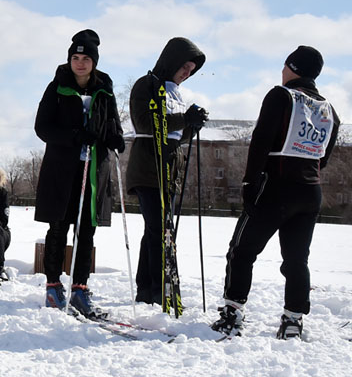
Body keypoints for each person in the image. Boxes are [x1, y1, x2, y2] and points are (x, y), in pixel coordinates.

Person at [211, 46, 340, 340]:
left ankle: (232, 313)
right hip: (310, 191)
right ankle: (293, 320)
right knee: (296, 259)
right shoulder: (330, 110)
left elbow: (260, 141)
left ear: (291, 68)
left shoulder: (280, 96)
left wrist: (249, 183)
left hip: (275, 188)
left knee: (242, 251)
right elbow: (324, 157)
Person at [34, 30, 123, 317]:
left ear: (94, 62)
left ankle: (80, 289)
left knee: (86, 231)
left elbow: (112, 123)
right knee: (58, 227)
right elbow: (42, 127)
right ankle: (53, 285)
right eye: (75, 57)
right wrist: (74, 136)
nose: (80, 63)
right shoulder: (56, 87)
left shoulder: (105, 90)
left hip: (93, 170)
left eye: (86, 58)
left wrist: (115, 138)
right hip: (62, 169)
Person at [126, 37, 208, 308]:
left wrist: (192, 127)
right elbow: (146, 123)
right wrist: (185, 119)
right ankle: (156, 289)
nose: (187, 73)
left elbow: (175, 135)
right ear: (171, 61)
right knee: (160, 228)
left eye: (191, 70)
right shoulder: (146, 85)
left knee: (158, 229)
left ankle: (147, 289)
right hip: (148, 166)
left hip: (170, 169)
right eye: (184, 66)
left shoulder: (175, 93)